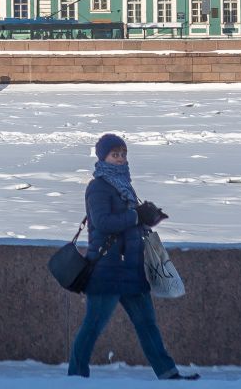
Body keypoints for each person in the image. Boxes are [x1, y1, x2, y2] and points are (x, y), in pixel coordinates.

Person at [67, 133, 198, 380]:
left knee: (147, 324)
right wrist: (136, 216)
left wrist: (149, 217)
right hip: (106, 270)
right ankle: (76, 377)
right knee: (92, 327)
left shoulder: (124, 185)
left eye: (123, 154)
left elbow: (128, 222)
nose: (120, 159)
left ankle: (169, 374)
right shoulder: (98, 187)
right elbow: (102, 222)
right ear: (103, 157)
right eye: (114, 155)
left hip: (131, 269)